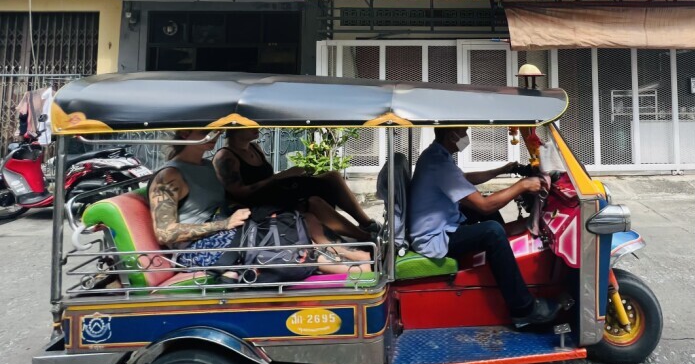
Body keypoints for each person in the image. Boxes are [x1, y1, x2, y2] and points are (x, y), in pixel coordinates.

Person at [148, 130, 370, 276]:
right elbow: (165, 233)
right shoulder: (169, 176)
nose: (213, 133)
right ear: (186, 133)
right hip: (198, 248)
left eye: (213, 128)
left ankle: (356, 253)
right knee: (282, 235)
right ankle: (352, 268)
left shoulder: (205, 166)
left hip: (225, 231)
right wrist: (225, 224)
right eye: (205, 129)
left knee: (299, 218)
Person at [408, 127, 561, 328]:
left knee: (488, 222)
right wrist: (522, 186)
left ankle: (502, 252)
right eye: (462, 132)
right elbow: (485, 205)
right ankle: (524, 310)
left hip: (442, 223)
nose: (465, 137)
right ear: (450, 135)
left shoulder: (437, 155)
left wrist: (502, 170)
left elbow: (465, 179)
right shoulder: (438, 163)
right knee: (492, 229)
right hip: (433, 237)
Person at [212, 128, 380, 241]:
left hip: (274, 194)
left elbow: (271, 180)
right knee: (314, 202)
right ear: (236, 129)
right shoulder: (225, 157)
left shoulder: (254, 148)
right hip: (255, 207)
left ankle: (367, 223)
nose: (256, 126)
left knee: (332, 177)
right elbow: (240, 193)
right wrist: (280, 177)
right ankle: (365, 237)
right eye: (250, 124)